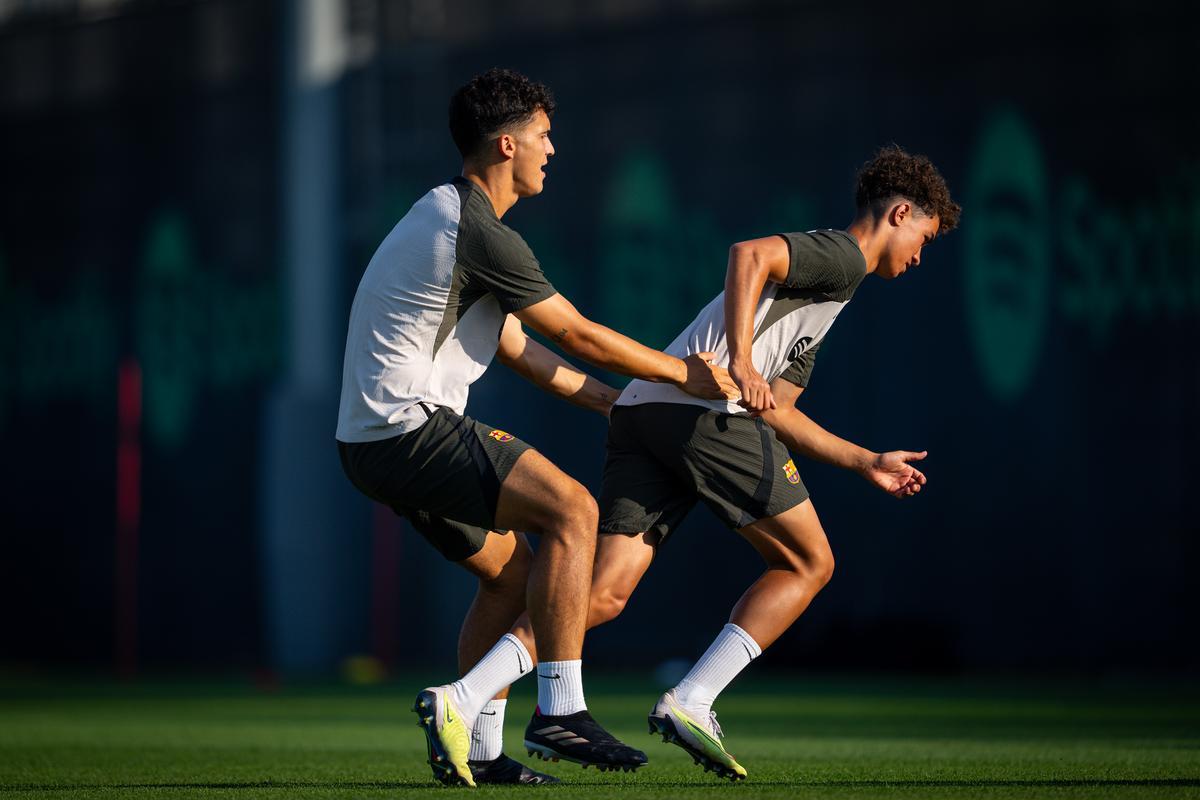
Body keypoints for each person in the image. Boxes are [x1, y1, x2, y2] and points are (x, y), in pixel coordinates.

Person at [334, 68, 736, 787]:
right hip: (407, 430)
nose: (553, 150)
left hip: (372, 444)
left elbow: (525, 352)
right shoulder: (475, 228)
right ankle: (561, 707)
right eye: (545, 137)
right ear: (507, 143)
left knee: (514, 579)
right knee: (574, 510)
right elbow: (579, 334)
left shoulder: (451, 219)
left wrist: (616, 405)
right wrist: (682, 376)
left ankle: (482, 752)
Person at [511, 144, 961, 781]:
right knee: (810, 562)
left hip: (644, 413)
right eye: (925, 235)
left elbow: (779, 410)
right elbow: (748, 253)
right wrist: (743, 361)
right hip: (704, 414)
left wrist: (865, 462)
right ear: (899, 212)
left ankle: (468, 694)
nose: (921, 254)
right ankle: (691, 700)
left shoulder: (828, 302)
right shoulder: (840, 256)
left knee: (603, 594)